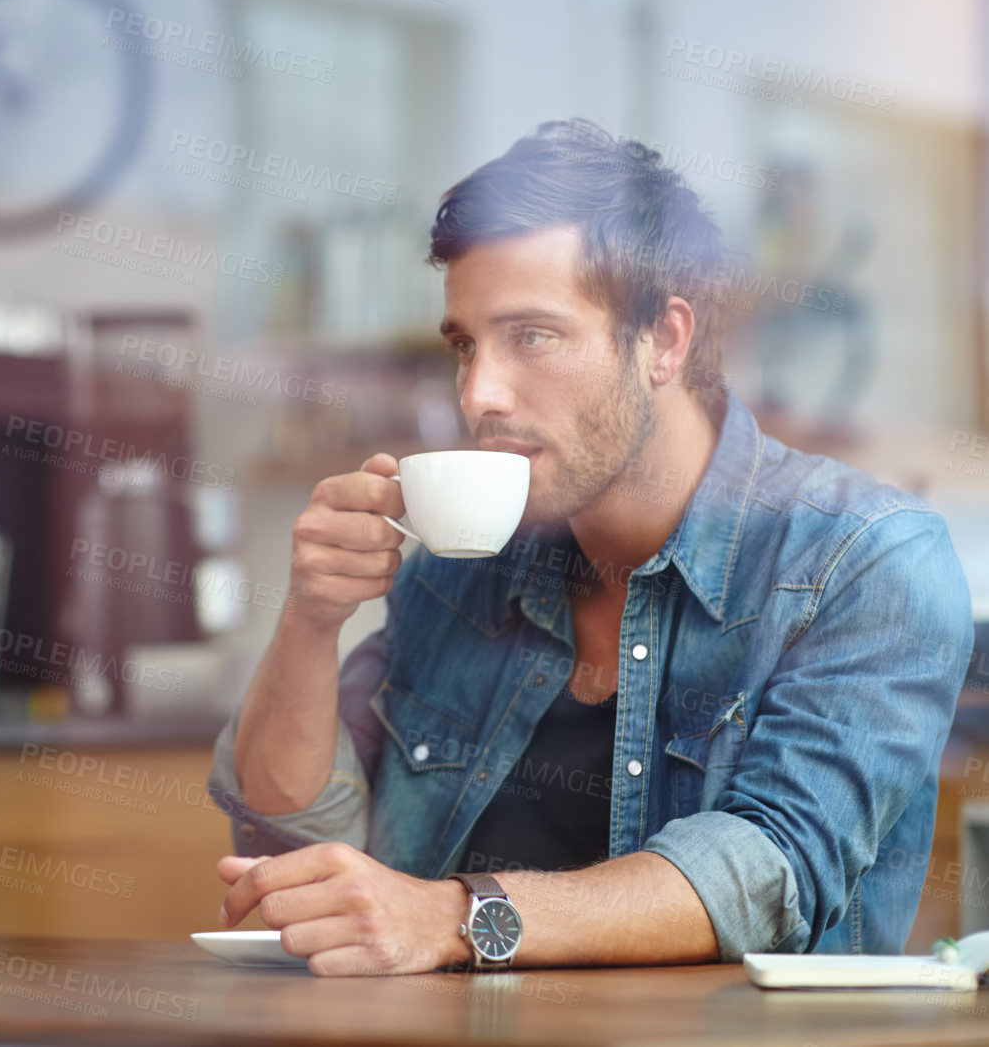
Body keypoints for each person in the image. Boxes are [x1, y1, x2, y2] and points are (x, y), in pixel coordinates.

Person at [208, 118, 974, 975]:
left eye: (531, 337)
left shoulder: (863, 561)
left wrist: (456, 918)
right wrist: (310, 620)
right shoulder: (459, 574)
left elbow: (774, 870)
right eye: (465, 345)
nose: (479, 394)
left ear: (665, 341)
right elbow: (287, 836)